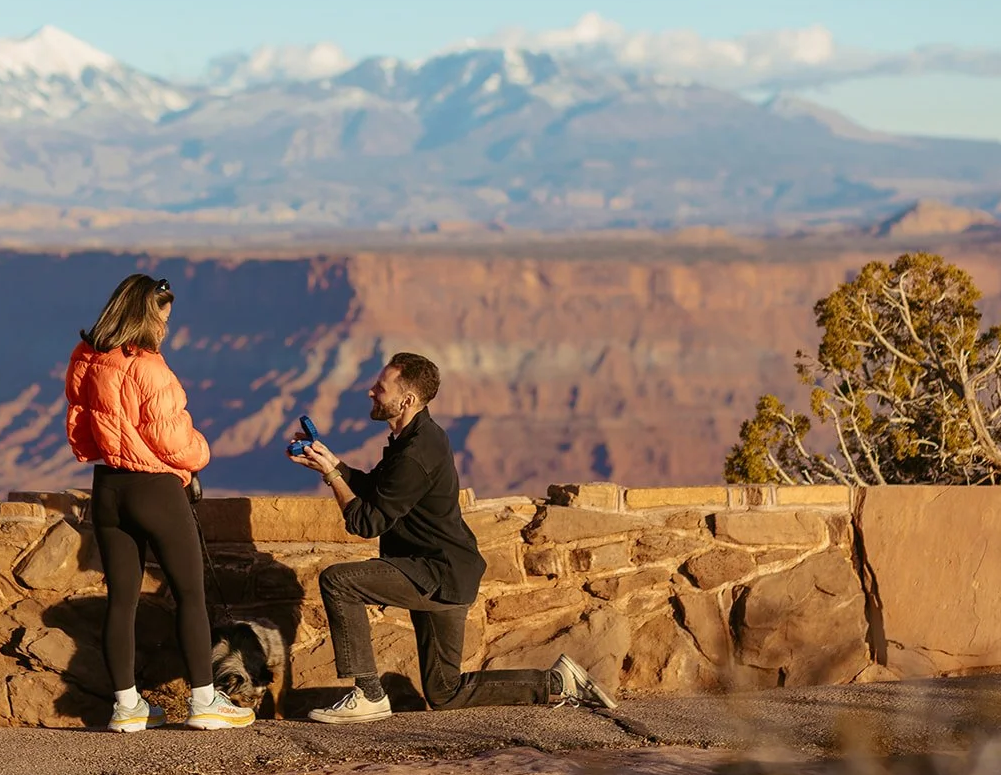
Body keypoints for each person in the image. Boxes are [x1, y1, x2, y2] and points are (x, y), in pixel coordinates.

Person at [287, 352, 617, 723]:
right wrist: (332, 462)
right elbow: (379, 491)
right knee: (445, 692)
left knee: (339, 581)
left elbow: (367, 522)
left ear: (407, 400)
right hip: (446, 570)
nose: (371, 392)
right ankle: (556, 682)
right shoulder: (415, 438)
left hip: (436, 573)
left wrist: (332, 477)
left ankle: (369, 694)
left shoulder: (416, 452)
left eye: (380, 387)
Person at [65, 273, 255, 733]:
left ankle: (127, 707)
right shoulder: (149, 367)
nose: (165, 327)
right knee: (190, 595)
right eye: (162, 318)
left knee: (121, 602)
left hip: (108, 488)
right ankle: (205, 702)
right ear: (146, 315)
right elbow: (171, 440)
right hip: (154, 489)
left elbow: (80, 429)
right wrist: (200, 454)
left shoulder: (85, 358)